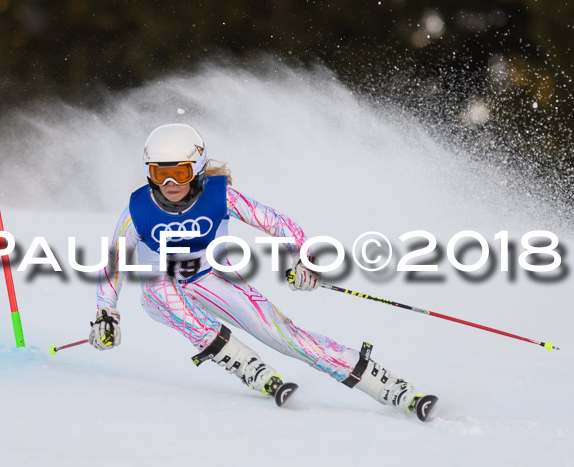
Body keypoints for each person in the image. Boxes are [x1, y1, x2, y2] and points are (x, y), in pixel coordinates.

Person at [88, 123, 438, 420]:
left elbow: (276, 222)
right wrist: (107, 312)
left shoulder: (220, 197)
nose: (169, 184)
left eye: (178, 172)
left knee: (281, 334)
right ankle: (242, 362)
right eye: (158, 173)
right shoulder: (137, 210)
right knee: (157, 289)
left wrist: (304, 260)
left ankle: (388, 386)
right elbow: (114, 261)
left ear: (196, 168)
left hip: (212, 278)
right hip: (161, 286)